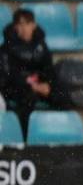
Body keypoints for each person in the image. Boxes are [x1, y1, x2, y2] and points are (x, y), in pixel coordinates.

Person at [2, 7, 55, 136]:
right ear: (15, 27)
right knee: (27, 99)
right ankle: (26, 140)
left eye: (28, 24)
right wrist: (31, 86)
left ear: (34, 25)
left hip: (38, 86)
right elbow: (8, 75)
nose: (25, 28)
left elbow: (48, 68)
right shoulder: (7, 47)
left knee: (61, 95)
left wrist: (48, 84)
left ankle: (60, 135)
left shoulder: (41, 46)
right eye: (21, 24)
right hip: (16, 88)